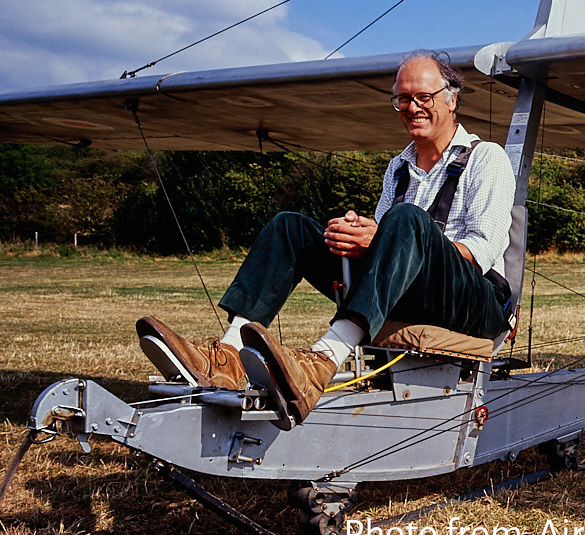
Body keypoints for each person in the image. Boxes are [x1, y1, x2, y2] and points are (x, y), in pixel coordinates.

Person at [137, 51, 516, 426]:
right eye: (403, 98)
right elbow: (386, 247)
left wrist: (384, 235)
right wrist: (351, 237)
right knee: (292, 227)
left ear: (451, 99)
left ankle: (322, 360)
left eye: (424, 97)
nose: (412, 106)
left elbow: (481, 249)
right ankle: (228, 355)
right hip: (410, 292)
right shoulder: (398, 167)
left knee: (407, 219)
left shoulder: (487, 158)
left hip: (475, 301)